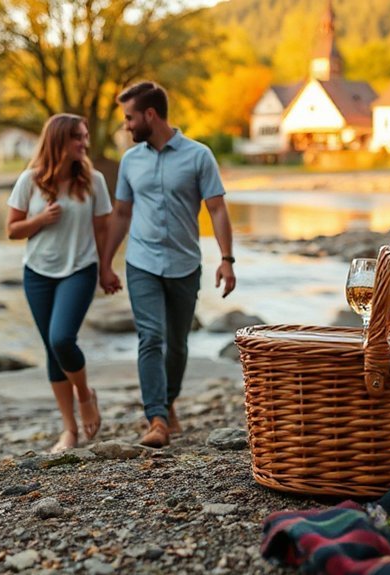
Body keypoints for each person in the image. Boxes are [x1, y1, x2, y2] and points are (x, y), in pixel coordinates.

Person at [100, 81, 236, 449]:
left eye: (129, 118)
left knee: (177, 344)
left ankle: (169, 402)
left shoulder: (198, 156)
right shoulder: (130, 161)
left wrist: (226, 259)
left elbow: (217, 209)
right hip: (142, 262)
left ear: (150, 115)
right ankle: (156, 418)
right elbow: (122, 213)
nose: (126, 125)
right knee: (151, 338)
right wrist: (105, 263)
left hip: (184, 264)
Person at [7, 113, 112, 453]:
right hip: (37, 273)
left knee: (62, 338)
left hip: (79, 269)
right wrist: (41, 219)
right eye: (78, 137)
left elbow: (102, 229)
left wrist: (106, 268)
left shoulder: (94, 181)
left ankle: (85, 395)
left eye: (85, 136)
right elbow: (12, 230)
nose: (85, 143)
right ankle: (69, 431)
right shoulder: (29, 180)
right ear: (58, 141)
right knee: (53, 350)